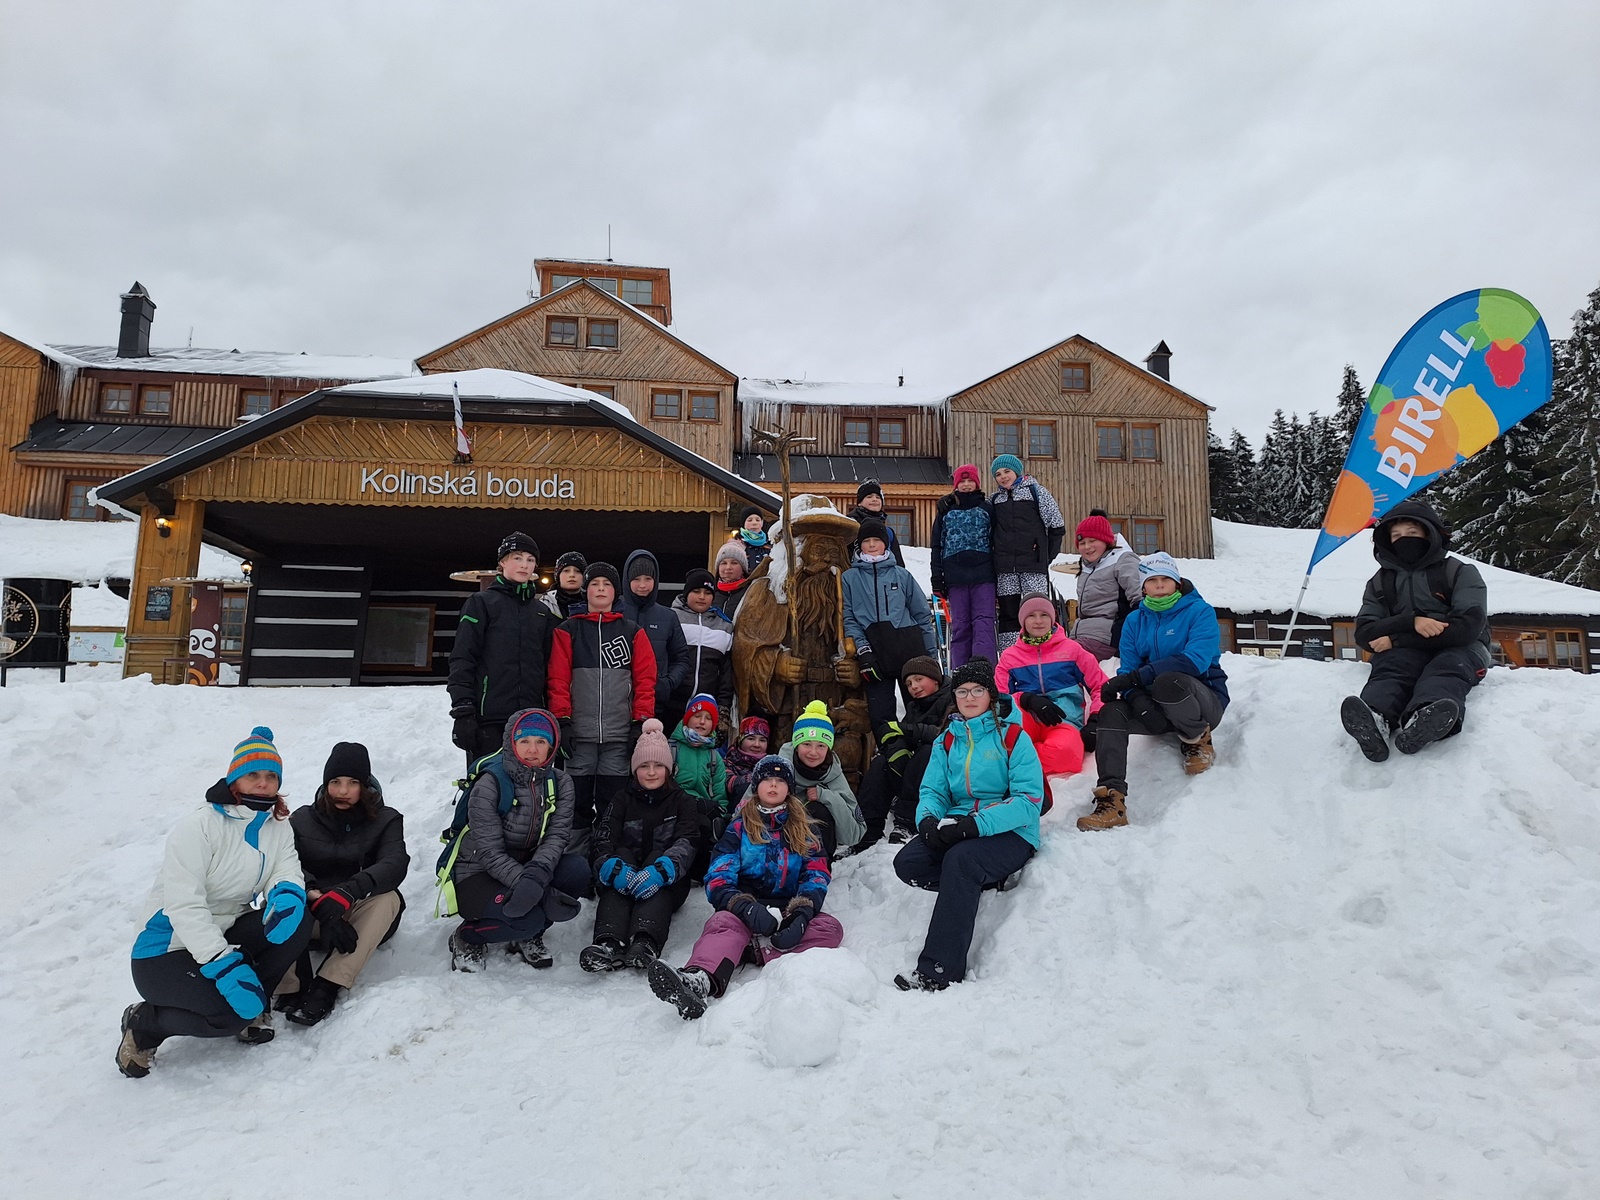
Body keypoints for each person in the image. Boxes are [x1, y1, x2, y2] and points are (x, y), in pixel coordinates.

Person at [117, 727, 312, 1078]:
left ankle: (254, 1003)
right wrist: (222, 964)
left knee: (298, 920)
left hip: (225, 930)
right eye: (253, 774)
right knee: (229, 1015)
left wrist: (286, 893)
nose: (263, 783)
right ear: (234, 778)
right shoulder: (200, 827)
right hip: (167, 949)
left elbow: (286, 868)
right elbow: (184, 906)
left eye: (271, 776)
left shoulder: (277, 825)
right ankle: (145, 1023)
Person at [646, 755, 844, 1020]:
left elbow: (817, 873)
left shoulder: (806, 828)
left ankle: (753, 949)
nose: (773, 785)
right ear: (756, 786)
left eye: (780, 781)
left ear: (789, 788)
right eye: (767, 780)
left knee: (830, 929)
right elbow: (719, 876)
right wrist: (743, 906)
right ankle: (700, 980)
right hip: (746, 908)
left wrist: (802, 913)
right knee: (722, 923)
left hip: (787, 910)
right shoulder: (739, 827)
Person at [892, 658, 1044, 991]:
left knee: (961, 861)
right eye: (962, 691)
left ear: (991, 694)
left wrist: (975, 825)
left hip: (1011, 830)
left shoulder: (1013, 737)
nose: (970, 697)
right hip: (961, 823)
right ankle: (977, 882)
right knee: (909, 862)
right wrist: (928, 821)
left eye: (977, 690)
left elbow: (1029, 801)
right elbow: (933, 791)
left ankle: (939, 969)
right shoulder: (947, 740)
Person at [1083, 552, 1229, 832]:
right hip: (1155, 706)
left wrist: (1140, 677)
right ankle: (1112, 800)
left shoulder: (1200, 611)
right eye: (1152, 580)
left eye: (1166, 579)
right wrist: (1136, 698)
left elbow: (1194, 661)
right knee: (1111, 712)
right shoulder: (1135, 621)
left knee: (1168, 681)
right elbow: (1128, 669)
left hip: (1200, 701)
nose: (1159, 585)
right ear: (1143, 587)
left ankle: (1197, 739)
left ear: (1177, 583)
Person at [1341, 501, 1492, 761]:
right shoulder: (1380, 582)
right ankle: (1374, 717)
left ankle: (1426, 718)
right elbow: (1365, 633)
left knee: (1447, 667)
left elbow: (1466, 628)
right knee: (1392, 668)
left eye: (1412, 533)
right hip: (1405, 651)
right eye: (1396, 535)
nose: (1404, 540)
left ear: (1429, 535)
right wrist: (1411, 622)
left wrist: (1396, 638)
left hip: (1462, 649)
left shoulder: (1458, 572)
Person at [447, 709, 591, 971]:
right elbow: (489, 852)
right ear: (512, 743)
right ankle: (468, 935)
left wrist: (536, 875)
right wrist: (539, 890)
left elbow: (557, 836)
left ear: (552, 747)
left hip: (528, 865)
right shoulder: (491, 783)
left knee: (577, 870)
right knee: (529, 919)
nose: (532, 749)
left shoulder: (561, 783)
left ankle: (528, 934)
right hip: (478, 873)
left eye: (541, 742)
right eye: (524, 740)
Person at [279, 741, 408, 1026]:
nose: (343, 791)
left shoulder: (387, 820)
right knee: (281, 897)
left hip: (358, 914)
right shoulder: (302, 819)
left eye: (352, 783)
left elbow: (394, 863)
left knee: (389, 899)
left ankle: (328, 983)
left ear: (365, 785)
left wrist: (347, 893)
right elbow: (286, 863)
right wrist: (314, 897)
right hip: (313, 912)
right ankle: (289, 984)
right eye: (335, 782)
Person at [548, 563, 658, 853]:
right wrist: (563, 720)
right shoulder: (568, 630)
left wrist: (640, 722)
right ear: (586, 591)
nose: (600, 589)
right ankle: (576, 860)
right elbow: (558, 679)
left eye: (606, 584)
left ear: (615, 592)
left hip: (618, 736)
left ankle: (607, 856)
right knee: (576, 802)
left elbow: (645, 681)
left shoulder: (632, 632)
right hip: (579, 736)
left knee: (614, 802)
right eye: (594, 584)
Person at [580, 719, 699, 973]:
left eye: (658, 765)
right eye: (644, 766)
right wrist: (611, 866)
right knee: (620, 856)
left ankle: (645, 941)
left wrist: (663, 869)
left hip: (667, 881)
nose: (651, 772)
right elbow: (603, 838)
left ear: (669, 769)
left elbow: (688, 841)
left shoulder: (682, 801)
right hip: (625, 876)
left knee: (658, 856)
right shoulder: (622, 798)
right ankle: (608, 942)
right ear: (635, 769)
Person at [448, 531, 556, 766]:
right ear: (502, 562)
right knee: (489, 784)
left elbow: (549, 667)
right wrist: (463, 710)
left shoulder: (541, 612)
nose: (524, 565)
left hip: (531, 721)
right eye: (517, 558)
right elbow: (463, 658)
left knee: (529, 786)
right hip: (488, 719)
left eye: (530, 559)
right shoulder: (481, 603)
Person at [996, 591, 1107, 777]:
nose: (1038, 621)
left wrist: (1096, 720)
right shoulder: (1010, 657)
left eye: (1044, 615)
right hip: (1025, 718)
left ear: (1052, 617)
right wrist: (1026, 698)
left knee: (1067, 755)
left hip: (1063, 720)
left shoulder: (1072, 650)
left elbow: (1101, 686)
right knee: (999, 742)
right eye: (1031, 615)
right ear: (1022, 620)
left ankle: (1016, 761)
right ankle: (1019, 758)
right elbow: (1000, 699)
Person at [843, 517, 938, 727]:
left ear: (885, 543)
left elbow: (922, 615)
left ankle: (919, 746)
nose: (872, 545)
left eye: (877, 540)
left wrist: (930, 656)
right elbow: (849, 618)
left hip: (908, 650)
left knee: (920, 711)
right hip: (875, 653)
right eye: (866, 541)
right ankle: (892, 747)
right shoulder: (849, 578)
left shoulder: (902, 575)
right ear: (860, 546)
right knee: (880, 714)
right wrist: (864, 650)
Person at [852, 655, 955, 851]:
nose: (913, 687)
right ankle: (868, 828)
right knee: (881, 763)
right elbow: (901, 736)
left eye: (918, 679)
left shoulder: (953, 699)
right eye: (908, 683)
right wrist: (896, 748)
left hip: (944, 777)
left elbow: (947, 736)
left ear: (935, 678)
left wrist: (908, 730)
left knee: (927, 752)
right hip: (915, 776)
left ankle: (906, 822)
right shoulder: (914, 706)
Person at [989, 454, 1066, 652]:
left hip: (1033, 567)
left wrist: (1044, 556)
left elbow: (1057, 526)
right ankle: (1011, 654)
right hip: (1005, 569)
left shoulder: (1036, 492)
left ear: (1017, 471)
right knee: (1008, 614)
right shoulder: (995, 500)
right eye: (998, 474)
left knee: (1037, 611)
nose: (1003, 477)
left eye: (1007, 471)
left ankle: (1042, 651)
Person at [777, 700, 867, 855]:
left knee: (818, 810)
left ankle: (821, 863)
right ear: (796, 746)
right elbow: (747, 807)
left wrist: (826, 796)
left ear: (828, 748)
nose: (813, 752)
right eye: (807, 744)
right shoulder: (778, 768)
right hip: (778, 847)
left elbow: (854, 834)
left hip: (817, 853)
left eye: (821, 746)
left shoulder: (832, 773)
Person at [930, 463, 996, 669]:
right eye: (962, 481)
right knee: (960, 627)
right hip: (955, 578)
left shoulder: (987, 508)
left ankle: (984, 671)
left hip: (984, 576)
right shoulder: (946, 510)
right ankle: (960, 672)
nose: (966, 485)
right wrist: (937, 577)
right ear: (956, 485)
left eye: (970, 481)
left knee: (984, 624)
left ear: (977, 483)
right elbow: (937, 545)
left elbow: (996, 541)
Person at [622, 549, 691, 723]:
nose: (642, 585)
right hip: (616, 703)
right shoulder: (615, 612)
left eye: (648, 579)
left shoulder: (668, 616)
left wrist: (667, 683)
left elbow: (682, 659)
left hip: (655, 705)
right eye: (636, 579)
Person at [1068, 511, 1144, 661]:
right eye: (1082, 543)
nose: (1087, 547)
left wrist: (1127, 637)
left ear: (1105, 540)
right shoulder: (1088, 566)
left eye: (1092, 541)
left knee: (1063, 658)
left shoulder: (1123, 560)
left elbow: (1141, 600)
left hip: (1109, 636)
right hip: (1083, 635)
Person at [670, 694, 729, 877]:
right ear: (687, 718)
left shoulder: (714, 757)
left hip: (703, 817)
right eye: (697, 715)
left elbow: (720, 797)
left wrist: (719, 815)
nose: (702, 722)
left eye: (708, 718)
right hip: (674, 808)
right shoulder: (671, 749)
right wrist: (692, 803)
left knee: (704, 824)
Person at [669, 568, 734, 721]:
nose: (702, 597)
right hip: (670, 705)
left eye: (708, 593)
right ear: (686, 593)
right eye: (696, 591)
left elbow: (726, 673)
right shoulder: (671, 618)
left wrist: (723, 706)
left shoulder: (724, 626)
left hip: (705, 711)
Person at [847, 478, 905, 565]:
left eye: (878, 497)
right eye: (869, 497)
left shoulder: (888, 532)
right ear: (860, 503)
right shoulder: (849, 526)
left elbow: (898, 564)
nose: (875, 499)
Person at [723, 716, 770, 810]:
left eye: (762, 740)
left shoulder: (771, 765)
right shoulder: (726, 764)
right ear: (741, 740)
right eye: (751, 739)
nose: (757, 744)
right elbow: (730, 784)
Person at [540, 551, 589, 619]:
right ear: (558, 576)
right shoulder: (544, 603)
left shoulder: (594, 603)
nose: (572, 575)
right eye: (566, 571)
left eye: (578, 571)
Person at [712, 541, 751, 620]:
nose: (728, 567)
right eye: (724, 563)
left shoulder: (751, 592)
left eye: (734, 563)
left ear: (743, 569)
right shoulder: (710, 593)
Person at [732, 505, 772, 574]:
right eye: (749, 520)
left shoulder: (770, 544)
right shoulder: (736, 545)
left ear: (762, 523)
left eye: (758, 520)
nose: (754, 523)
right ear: (743, 524)